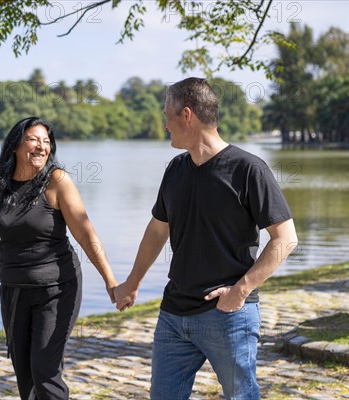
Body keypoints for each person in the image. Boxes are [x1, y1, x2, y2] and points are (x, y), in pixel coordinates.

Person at [114, 78, 298, 400]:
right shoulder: (175, 169)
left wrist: (241, 290)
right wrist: (132, 281)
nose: (164, 124)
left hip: (226, 315)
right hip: (173, 313)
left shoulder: (248, 169)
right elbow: (158, 230)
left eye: (167, 115)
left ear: (187, 116)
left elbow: (285, 238)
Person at [0, 116, 118, 400]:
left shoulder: (57, 181)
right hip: (14, 290)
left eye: (46, 142)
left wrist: (110, 279)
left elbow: (85, 233)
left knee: (45, 369)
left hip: (57, 288)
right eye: (33, 139)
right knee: (24, 372)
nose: (41, 147)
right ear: (15, 146)